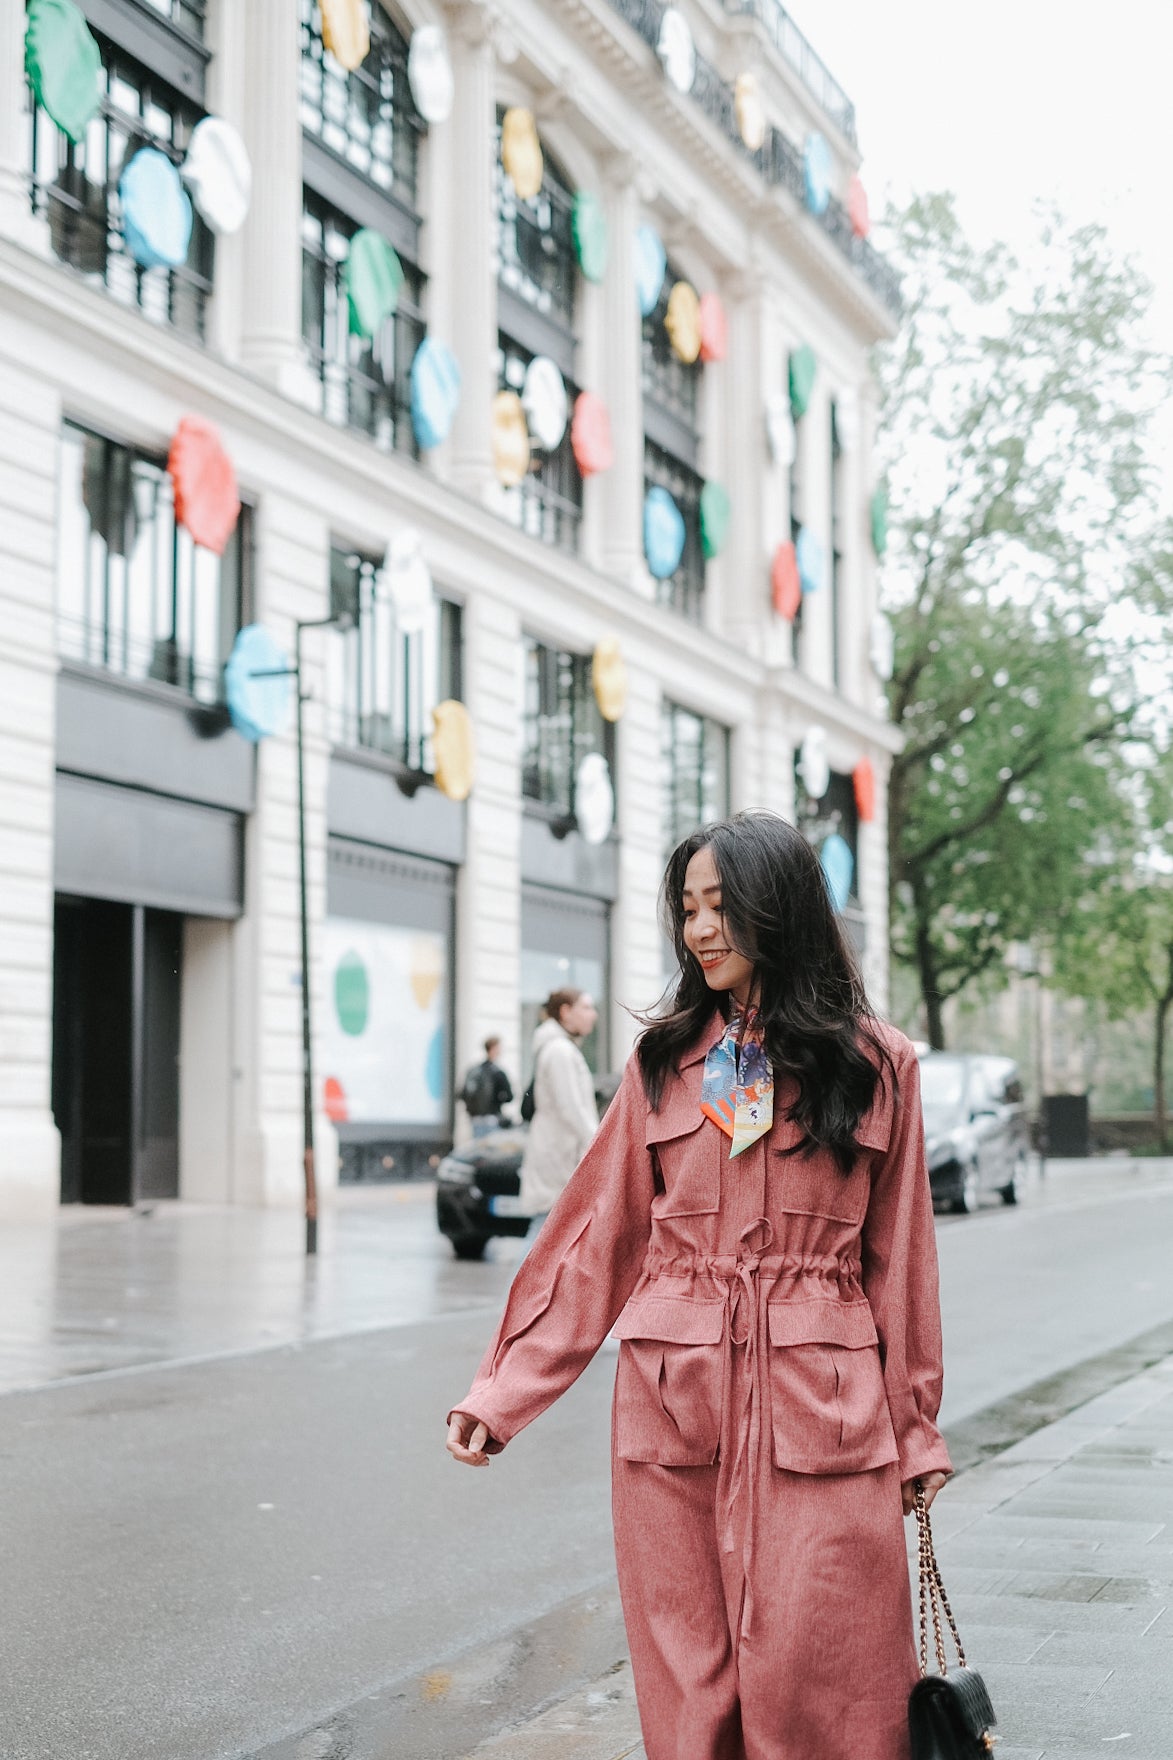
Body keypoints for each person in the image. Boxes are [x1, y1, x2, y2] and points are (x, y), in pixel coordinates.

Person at [447, 813, 950, 1760]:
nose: (700, 929)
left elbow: (901, 1258)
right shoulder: (660, 1065)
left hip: (825, 1416)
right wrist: (504, 1389)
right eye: (688, 908)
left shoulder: (879, 1064)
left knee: (823, 1674)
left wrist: (914, 1427)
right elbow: (596, 1237)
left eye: (721, 905)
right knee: (689, 1684)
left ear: (782, 910)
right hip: (674, 1413)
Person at [517, 988, 599, 1234]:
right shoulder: (560, 1051)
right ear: (565, 1012)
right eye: (585, 1008)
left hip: (557, 1153)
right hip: (557, 1157)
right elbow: (571, 1107)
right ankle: (522, 1276)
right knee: (543, 1234)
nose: (593, 1015)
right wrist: (598, 1145)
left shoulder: (560, 1048)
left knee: (547, 1235)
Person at [459, 1036, 514, 1138]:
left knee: (477, 1149)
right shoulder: (498, 1073)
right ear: (494, 1049)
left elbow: (463, 1094)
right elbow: (510, 1097)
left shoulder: (475, 1070)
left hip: (475, 1119)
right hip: (492, 1119)